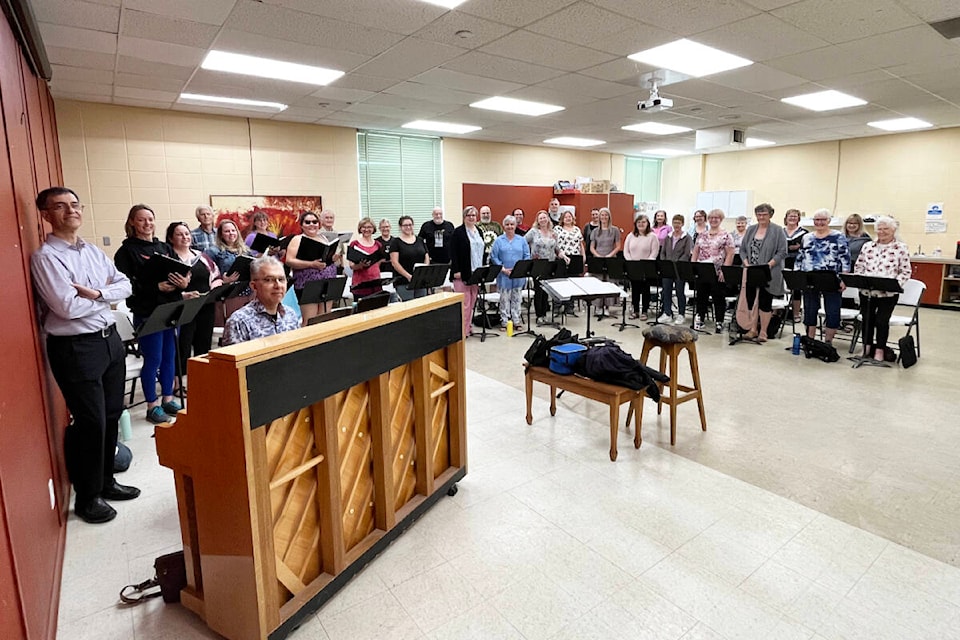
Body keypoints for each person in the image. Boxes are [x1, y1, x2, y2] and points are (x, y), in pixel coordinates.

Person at [31, 186, 139, 524]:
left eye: (75, 204)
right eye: (60, 207)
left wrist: (96, 293)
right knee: (90, 421)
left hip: (109, 341)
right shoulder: (46, 257)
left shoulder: (92, 250)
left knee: (110, 414)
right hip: (76, 347)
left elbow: (126, 285)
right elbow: (65, 306)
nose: (70, 211)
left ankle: (107, 482)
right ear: (46, 215)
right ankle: (88, 497)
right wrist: (105, 297)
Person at [114, 204, 189, 424]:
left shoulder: (165, 247)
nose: (147, 224)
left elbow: (182, 272)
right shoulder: (126, 252)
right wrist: (156, 287)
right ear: (132, 223)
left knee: (169, 357)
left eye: (150, 219)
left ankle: (167, 398)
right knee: (153, 359)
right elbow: (127, 285)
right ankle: (152, 405)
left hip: (171, 308)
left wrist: (184, 283)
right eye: (141, 220)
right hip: (148, 311)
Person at [166, 222, 221, 376]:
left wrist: (215, 288)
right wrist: (182, 295)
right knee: (183, 346)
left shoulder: (201, 256)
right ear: (171, 238)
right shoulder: (169, 259)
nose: (185, 237)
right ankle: (179, 382)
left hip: (205, 307)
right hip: (183, 309)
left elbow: (216, 275)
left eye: (187, 234)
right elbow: (165, 286)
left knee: (204, 344)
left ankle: (202, 378)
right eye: (179, 234)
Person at [853, 216, 911, 362]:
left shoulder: (901, 248)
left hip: (888, 293)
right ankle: (866, 348)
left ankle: (879, 350)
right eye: (880, 229)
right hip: (867, 291)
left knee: (881, 321)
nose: (882, 232)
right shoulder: (868, 246)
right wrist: (861, 279)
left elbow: (905, 271)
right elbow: (859, 265)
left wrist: (896, 284)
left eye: (886, 229)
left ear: (893, 230)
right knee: (867, 320)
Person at [798, 208, 851, 345]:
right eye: (817, 219)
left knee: (832, 310)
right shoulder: (807, 237)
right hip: (810, 278)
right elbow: (800, 257)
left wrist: (844, 279)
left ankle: (828, 343)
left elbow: (845, 259)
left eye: (823, 220)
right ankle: (810, 340)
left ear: (829, 221)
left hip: (831, 278)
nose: (819, 222)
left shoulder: (838, 236)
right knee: (810, 310)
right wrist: (798, 275)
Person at [222, 256, 300, 345]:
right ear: (254, 286)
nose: (278, 285)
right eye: (269, 280)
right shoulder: (239, 321)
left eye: (281, 279)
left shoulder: (291, 315)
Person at [739, 203, 788, 341]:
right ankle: (752, 329)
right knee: (751, 301)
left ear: (770, 215)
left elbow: (783, 251)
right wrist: (746, 263)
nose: (761, 217)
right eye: (758, 215)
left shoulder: (778, 230)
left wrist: (769, 265)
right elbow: (743, 250)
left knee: (765, 302)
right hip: (751, 271)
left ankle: (763, 332)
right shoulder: (751, 230)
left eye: (764, 214)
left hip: (769, 272)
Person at [691, 208, 735, 332]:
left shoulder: (726, 235)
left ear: (721, 219)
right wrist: (693, 267)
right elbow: (696, 251)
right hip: (703, 269)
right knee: (701, 296)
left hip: (718, 270)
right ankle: (700, 319)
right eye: (711, 218)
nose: (713, 220)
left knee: (718, 297)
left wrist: (724, 270)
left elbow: (730, 254)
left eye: (716, 218)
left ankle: (719, 321)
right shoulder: (702, 234)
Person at [284, 211, 332, 323]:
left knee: (325, 319)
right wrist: (311, 264)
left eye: (315, 222)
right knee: (310, 320)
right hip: (307, 284)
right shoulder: (297, 239)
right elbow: (289, 261)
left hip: (326, 282)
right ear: (301, 225)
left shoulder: (323, 238)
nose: (312, 224)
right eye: (307, 222)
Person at [489, 215, 530, 331]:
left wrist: (520, 268)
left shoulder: (521, 240)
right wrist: (503, 269)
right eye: (507, 224)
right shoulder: (498, 240)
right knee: (504, 299)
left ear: (515, 226)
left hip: (518, 274)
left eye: (512, 224)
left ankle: (516, 321)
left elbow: (527, 255)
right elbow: (494, 256)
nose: (510, 227)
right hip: (503, 274)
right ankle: (505, 321)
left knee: (517, 298)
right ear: (504, 226)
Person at [526, 210, 568, 323]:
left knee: (546, 291)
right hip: (538, 264)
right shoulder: (533, 232)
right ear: (538, 221)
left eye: (545, 217)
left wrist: (563, 256)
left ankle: (545, 314)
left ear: (548, 219)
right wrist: (529, 255)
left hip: (550, 264)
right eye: (541, 218)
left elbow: (557, 248)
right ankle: (539, 315)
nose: (543, 220)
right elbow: (523, 242)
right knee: (539, 290)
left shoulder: (553, 233)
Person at [450, 206, 485, 337]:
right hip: (462, 273)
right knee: (464, 304)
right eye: (468, 215)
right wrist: (456, 271)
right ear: (464, 217)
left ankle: (468, 326)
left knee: (472, 302)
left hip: (476, 272)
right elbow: (453, 253)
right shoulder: (458, 232)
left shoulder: (479, 231)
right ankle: (462, 331)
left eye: (473, 215)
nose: (471, 218)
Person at [623, 214, 660, 320]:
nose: (641, 224)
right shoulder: (630, 236)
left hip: (646, 267)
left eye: (643, 222)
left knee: (645, 289)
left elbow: (654, 252)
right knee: (635, 289)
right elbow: (626, 251)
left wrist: (646, 263)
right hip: (633, 266)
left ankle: (644, 311)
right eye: (639, 222)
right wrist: (630, 262)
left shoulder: (652, 236)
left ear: (648, 223)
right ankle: (635, 310)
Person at [658, 214, 692, 324]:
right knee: (666, 290)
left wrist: (677, 264)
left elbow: (687, 254)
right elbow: (663, 252)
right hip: (668, 268)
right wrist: (665, 262)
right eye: (675, 222)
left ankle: (681, 314)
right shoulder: (668, 237)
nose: (676, 225)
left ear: (682, 224)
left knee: (679, 291)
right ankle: (667, 313)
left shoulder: (687, 237)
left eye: (679, 222)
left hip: (680, 269)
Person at [589, 207, 621, 317]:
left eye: (606, 215)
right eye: (602, 215)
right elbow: (592, 247)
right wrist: (598, 256)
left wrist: (609, 255)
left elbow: (618, 246)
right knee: (598, 282)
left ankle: (607, 307)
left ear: (609, 217)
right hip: (598, 259)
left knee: (609, 282)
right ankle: (598, 307)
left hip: (610, 258)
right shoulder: (595, 231)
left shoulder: (615, 230)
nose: (604, 217)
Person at [390, 215, 430, 301]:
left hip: (420, 281)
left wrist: (423, 272)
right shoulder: (396, 242)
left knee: (422, 306)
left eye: (410, 225)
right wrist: (408, 276)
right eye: (405, 225)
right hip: (404, 281)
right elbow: (394, 262)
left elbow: (426, 256)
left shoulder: (420, 240)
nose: (408, 227)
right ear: (400, 227)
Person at [348, 217, 385, 300]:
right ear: (360, 229)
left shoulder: (378, 244)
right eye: (364, 227)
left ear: (373, 229)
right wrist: (361, 265)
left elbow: (380, 260)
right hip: (360, 282)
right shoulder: (354, 244)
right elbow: (351, 265)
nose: (366, 229)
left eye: (369, 227)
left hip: (375, 280)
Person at [782, 208, 808, 321]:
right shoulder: (780, 232)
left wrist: (798, 247)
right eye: (790, 216)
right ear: (786, 218)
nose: (792, 218)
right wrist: (789, 248)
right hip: (782, 261)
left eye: (795, 216)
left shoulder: (805, 233)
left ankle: (796, 314)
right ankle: (777, 312)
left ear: (798, 218)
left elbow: (806, 247)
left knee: (796, 288)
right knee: (779, 287)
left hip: (797, 262)